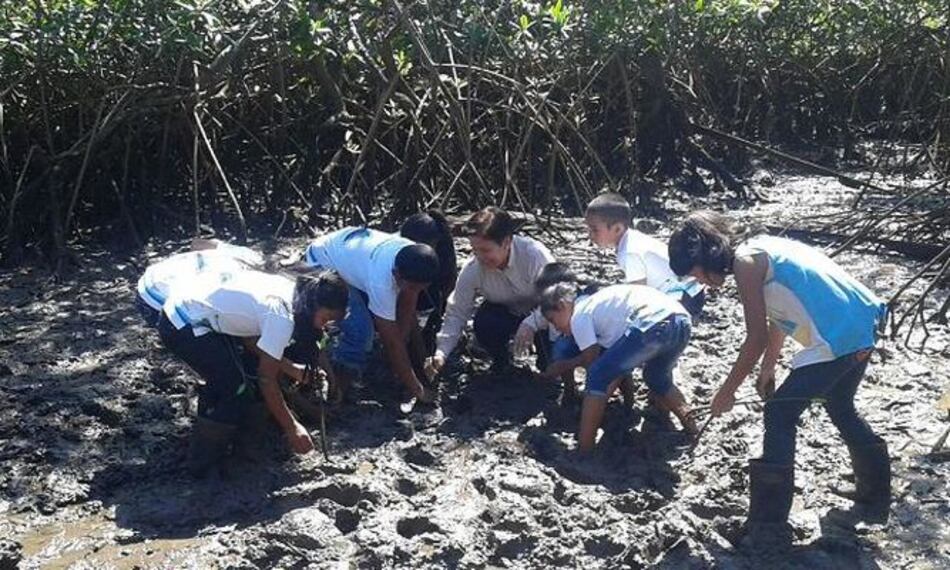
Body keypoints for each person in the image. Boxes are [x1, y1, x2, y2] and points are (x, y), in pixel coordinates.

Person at [667, 210, 890, 537]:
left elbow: (754, 336)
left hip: (840, 335)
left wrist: (726, 392)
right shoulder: (761, 247)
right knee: (839, 404)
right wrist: (769, 365)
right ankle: (874, 497)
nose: (699, 281)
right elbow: (779, 317)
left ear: (705, 255)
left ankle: (768, 523)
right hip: (862, 322)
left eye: (696, 273)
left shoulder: (745, 263)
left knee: (779, 412)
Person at [157, 268, 348, 475]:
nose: (325, 327)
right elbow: (267, 378)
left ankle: (245, 448)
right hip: (183, 321)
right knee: (235, 388)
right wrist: (292, 427)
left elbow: (251, 339)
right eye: (325, 319)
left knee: (243, 375)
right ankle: (202, 463)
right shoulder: (282, 316)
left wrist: (292, 369)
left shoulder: (299, 295)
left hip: (205, 313)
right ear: (313, 307)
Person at [538, 282, 696, 452]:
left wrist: (562, 366)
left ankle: (584, 447)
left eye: (553, 320)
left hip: (652, 322)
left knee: (597, 375)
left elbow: (591, 359)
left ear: (562, 306)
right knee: (656, 377)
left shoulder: (579, 315)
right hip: (681, 321)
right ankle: (693, 429)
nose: (556, 327)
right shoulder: (600, 307)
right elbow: (613, 362)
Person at [304, 227, 440, 403]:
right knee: (361, 330)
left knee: (388, 326)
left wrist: (406, 358)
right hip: (322, 261)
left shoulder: (414, 256)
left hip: (348, 255)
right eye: (413, 286)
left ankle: (387, 367)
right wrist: (418, 390)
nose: (418, 291)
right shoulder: (381, 282)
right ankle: (340, 382)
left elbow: (408, 304)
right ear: (396, 275)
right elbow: (391, 340)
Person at [424, 207, 554, 378]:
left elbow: (557, 297)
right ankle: (501, 360)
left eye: (485, 250)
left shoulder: (534, 255)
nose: (479, 257)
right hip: (505, 315)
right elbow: (456, 313)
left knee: (551, 363)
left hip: (544, 316)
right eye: (474, 250)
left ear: (506, 242)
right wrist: (441, 354)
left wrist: (532, 323)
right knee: (485, 322)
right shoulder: (473, 269)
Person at [584, 193, 705, 316]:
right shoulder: (633, 239)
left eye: (595, 230)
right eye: (588, 229)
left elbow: (639, 293)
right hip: (691, 291)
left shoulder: (629, 252)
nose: (590, 235)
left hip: (683, 296)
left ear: (617, 229)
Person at [135, 239, 264, 327]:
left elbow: (197, 244)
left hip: (151, 277)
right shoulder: (230, 283)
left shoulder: (248, 256)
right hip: (153, 300)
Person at [400, 210, 458, 353]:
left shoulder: (444, 251)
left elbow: (450, 286)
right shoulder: (400, 248)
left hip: (430, 293)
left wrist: (434, 321)